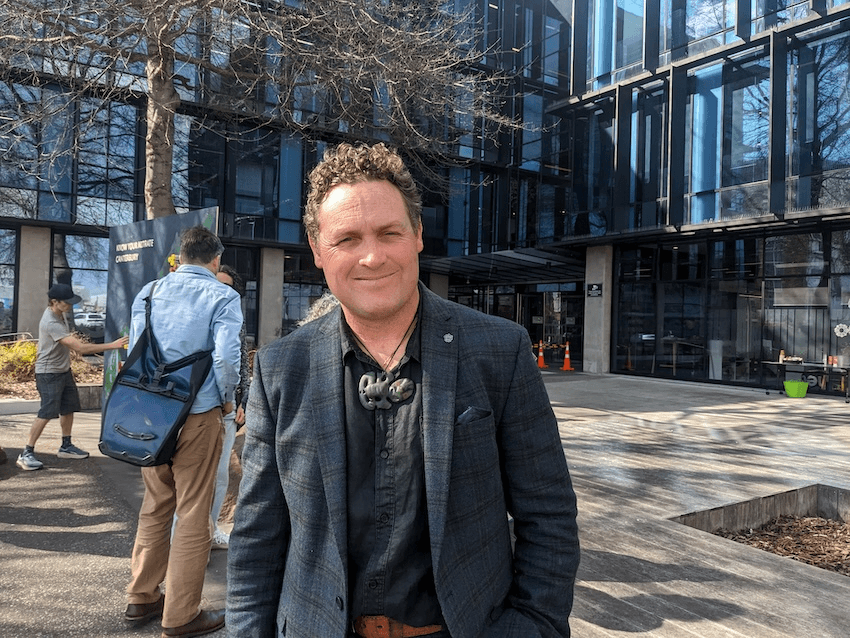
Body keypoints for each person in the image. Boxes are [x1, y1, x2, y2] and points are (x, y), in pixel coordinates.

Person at [227, 143, 580, 638]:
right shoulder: (280, 369)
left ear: (416, 235)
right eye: (347, 238)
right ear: (318, 249)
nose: (371, 256)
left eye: (388, 233)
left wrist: (529, 627)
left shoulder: (500, 351)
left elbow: (549, 517)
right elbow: (257, 540)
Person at [124, 226, 242, 638]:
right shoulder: (223, 295)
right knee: (193, 510)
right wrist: (228, 398)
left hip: (153, 414)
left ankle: (141, 596)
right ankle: (180, 615)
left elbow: (135, 349)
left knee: (155, 503)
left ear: (181, 255)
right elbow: (227, 357)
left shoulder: (150, 293)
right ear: (215, 259)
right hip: (199, 413)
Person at [16, 284, 128, 471]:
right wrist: (112, 345)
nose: (70, 306)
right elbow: (80, 348)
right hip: (48, 373)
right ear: (54, 302)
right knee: (46, 412)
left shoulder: (60, 314)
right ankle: (26, 452)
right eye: (66, 303)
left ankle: (66, 445)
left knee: (68, 408)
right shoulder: (51, 322)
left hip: (63, 371)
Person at [209, 264, 250, 549]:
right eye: (217, 284)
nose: (222, 291)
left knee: (221, 474)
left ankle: (210, 531)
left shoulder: (236, 317)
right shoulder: (201, 315)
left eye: (228, 286)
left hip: (229, 407)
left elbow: (242, 363)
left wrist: (242, 401)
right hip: (206, 405)